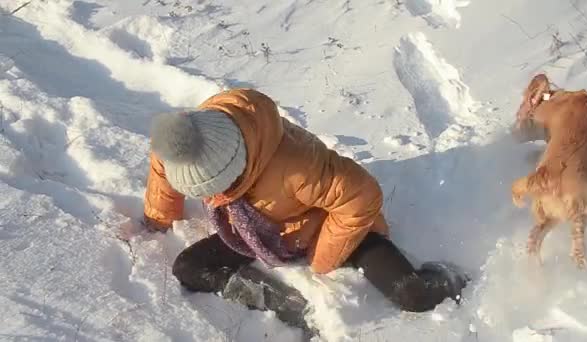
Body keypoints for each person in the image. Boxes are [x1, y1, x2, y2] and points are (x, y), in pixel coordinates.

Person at [143, 88, 468, 337]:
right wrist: (159, 216)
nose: (211, 200)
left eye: (217, 189)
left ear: (238, 168)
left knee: (413, 297)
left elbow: (361, 196)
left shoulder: (297, 167)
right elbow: (163, 165)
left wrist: (323, 257)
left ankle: (443, 282)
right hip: (257, 227)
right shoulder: (191, 135)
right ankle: (280, 302)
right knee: (188, 267)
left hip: (327, 227)